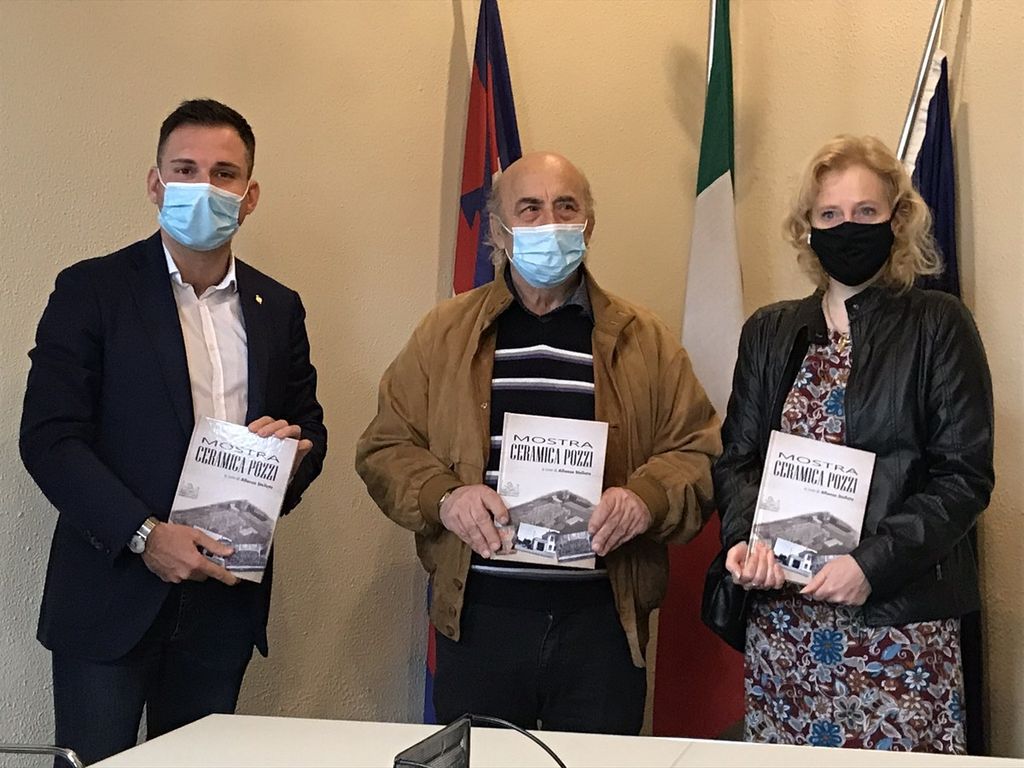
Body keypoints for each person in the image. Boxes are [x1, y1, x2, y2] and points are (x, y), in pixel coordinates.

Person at [356, 152, 720, 735]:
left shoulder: (645, 340)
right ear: (498, 231)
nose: (550, 222)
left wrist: (645, 498)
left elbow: (699, 452)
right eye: (529, 208)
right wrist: (445, 498)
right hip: (480, 620)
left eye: (566, 206)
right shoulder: (444, 334)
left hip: (604, 625)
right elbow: (385, 446)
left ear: (589, 224)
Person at [19, 99, 328, 764]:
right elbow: (50, 437)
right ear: (156, 184)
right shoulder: (91, 290)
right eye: (185, 170)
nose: (203, 187)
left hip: (224, 599)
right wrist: (144, 535)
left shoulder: (278, 308)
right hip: (111, 596)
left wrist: (293, 455)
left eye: (224, 173)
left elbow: (312, 428)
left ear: (249, 197)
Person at [711, 135, 993, 752]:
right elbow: (737, 461)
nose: (848, 227)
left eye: (867, 211)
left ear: (898, 219)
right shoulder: (769, 330)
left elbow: (964, 477)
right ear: (808, 228)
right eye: (830, 214)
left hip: (896, 628)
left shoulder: (939, 324)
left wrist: (872, 565)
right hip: (784, 627)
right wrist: (743, 542)